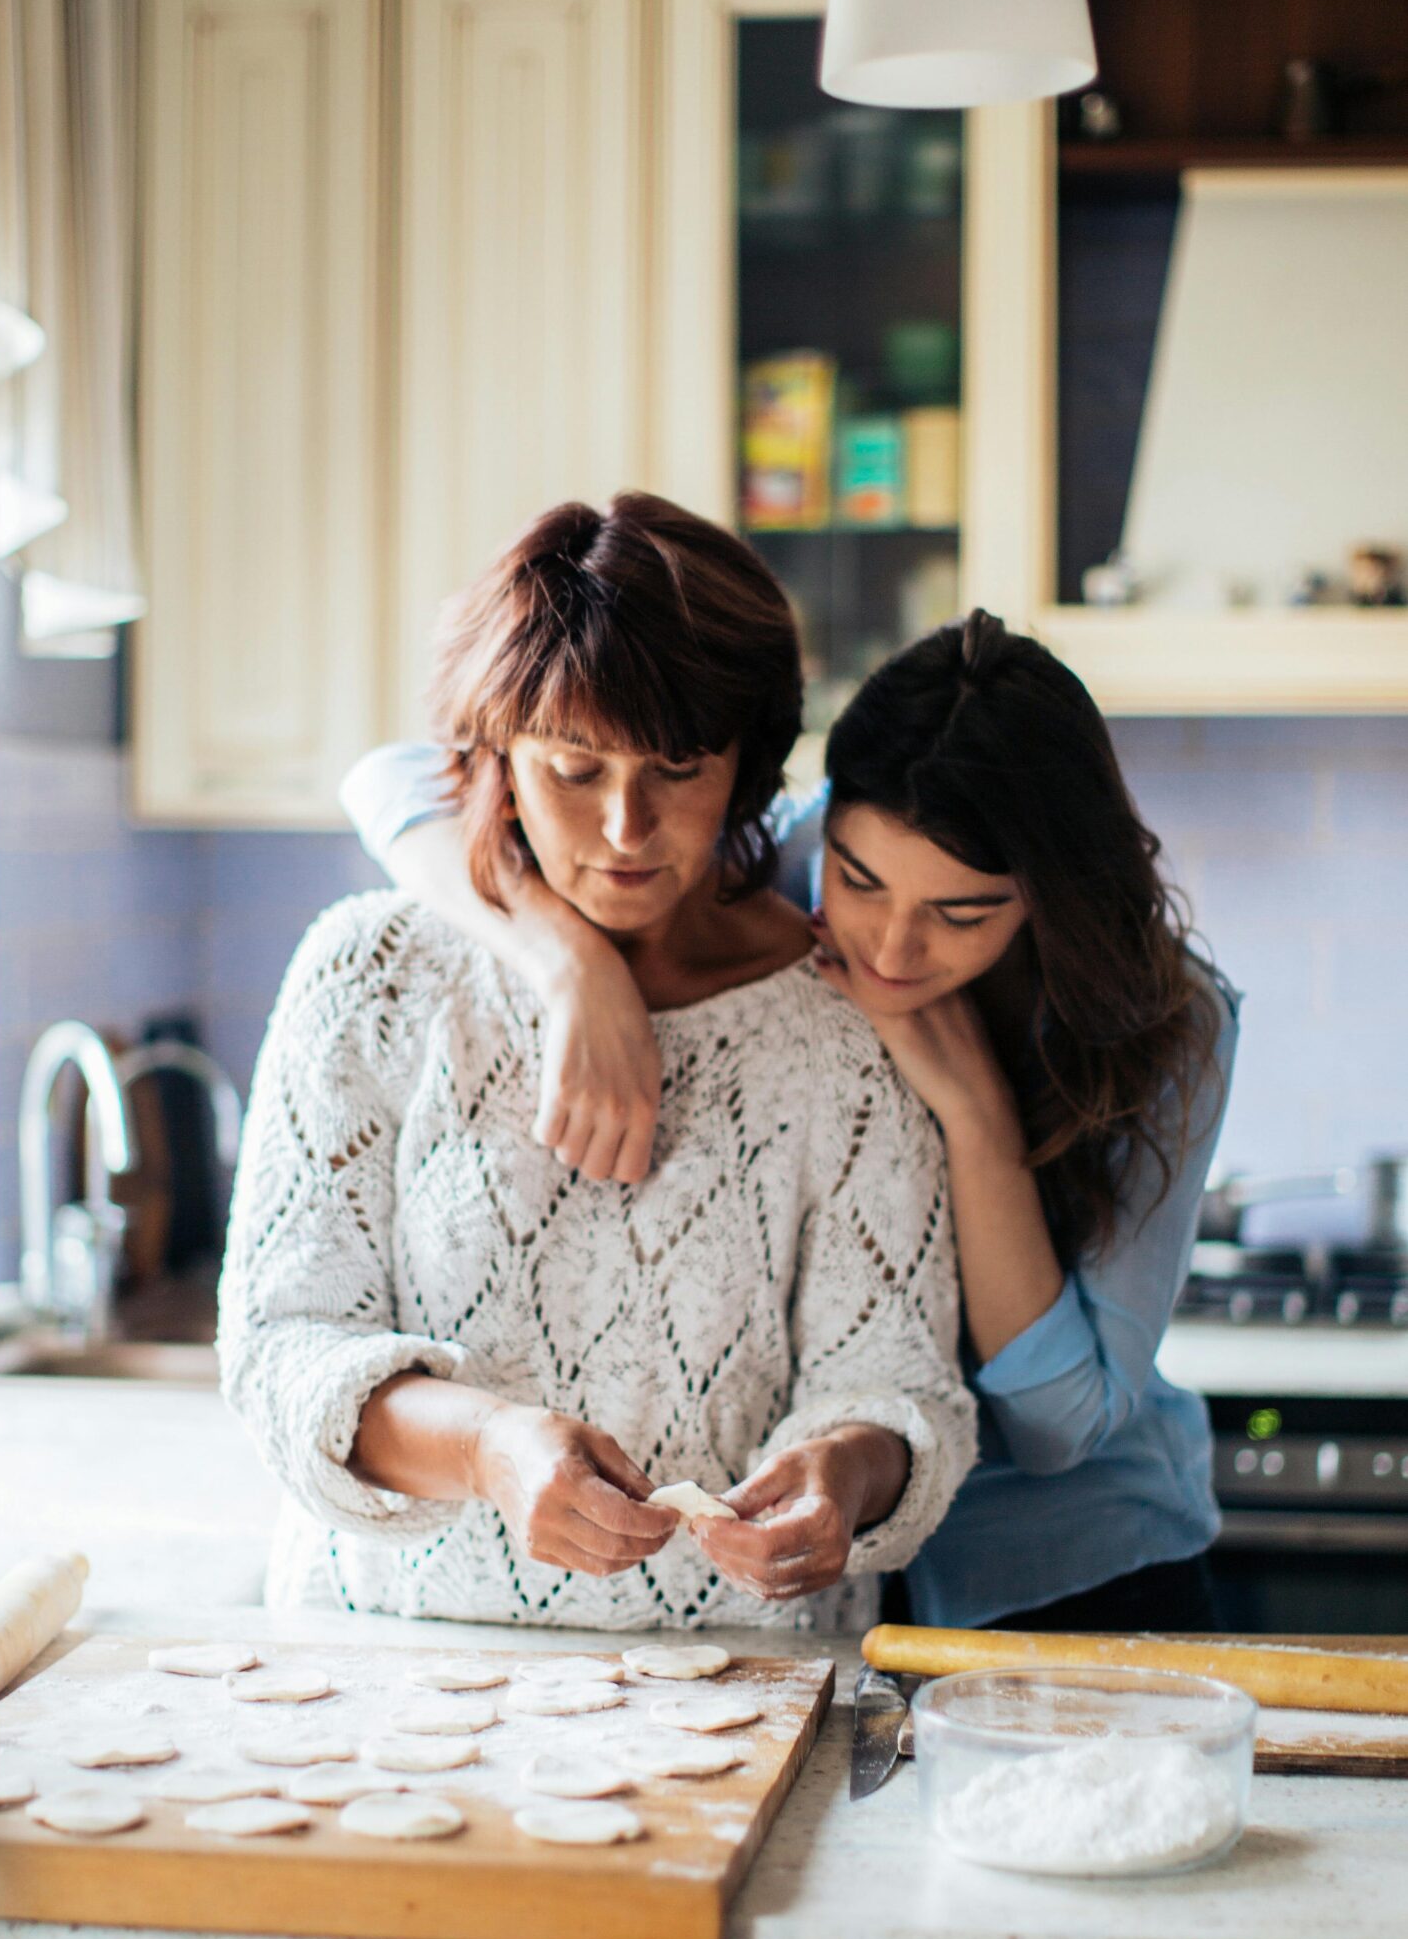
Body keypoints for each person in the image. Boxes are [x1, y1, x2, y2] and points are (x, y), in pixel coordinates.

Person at [341, 607, 1236, 1633]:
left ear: (1045, 895)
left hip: (1067, 1569)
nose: (894, 946)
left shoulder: (1172, 1020)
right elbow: (396, 781)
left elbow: (1058, 1426)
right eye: (858, 881)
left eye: (963, 912)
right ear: (826, 818)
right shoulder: (779, 857)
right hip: (835, 1592)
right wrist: (570, 967)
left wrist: (977, 1119)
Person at [219, 494, 975, 1631]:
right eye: (575, 769)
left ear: (749, 766)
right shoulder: (371, 976)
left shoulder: (843, 1024)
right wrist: (486, 1448)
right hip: (389, 1681)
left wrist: (846, 1473)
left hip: (744, 1687)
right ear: (494, 758)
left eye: (678, 767)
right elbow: (279, 1349)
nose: (628, 827)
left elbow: (904, 1383)